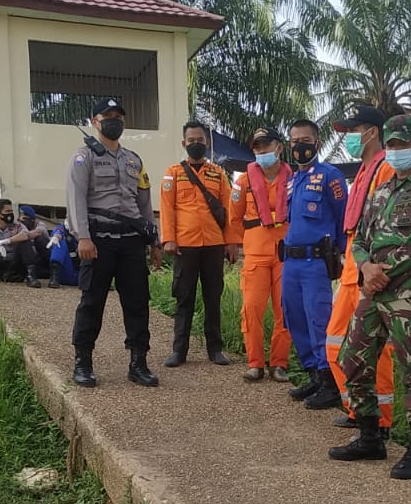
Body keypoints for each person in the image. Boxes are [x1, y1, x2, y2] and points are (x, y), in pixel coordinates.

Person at [331, 114, 411, 479]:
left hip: (408, 293)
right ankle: (370, 437)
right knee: (352, 359)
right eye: (391, 145)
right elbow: (362, 238)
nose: (396, 151)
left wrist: (383, 274)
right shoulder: (381, 190)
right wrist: (366, 268)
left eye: (403, 144)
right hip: (373, 288)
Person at [68, 96, 160, 388]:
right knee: (92, 302)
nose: (114, 121)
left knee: (137, 303)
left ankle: (138, 362)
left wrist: (153, 240)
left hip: (132, 242)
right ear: (95, 122)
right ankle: (83, 362)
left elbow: (144, 203)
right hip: (98, 241)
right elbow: (75, 198)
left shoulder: (134, 160)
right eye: (107, 116)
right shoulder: (84, 157)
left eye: (118, 117)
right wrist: (83, 236)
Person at [321, 102, 397, 426]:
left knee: (376, 352)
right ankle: (358, 409)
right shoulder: (363, 171)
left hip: (371, 273)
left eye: (353, 130)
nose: (349, 136)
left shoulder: (386, 169)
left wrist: (372, 269)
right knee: (336, 343)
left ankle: (378, 422)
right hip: (352, 271)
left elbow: (388, 225)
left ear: (371, 132)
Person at [279, 118, 348, 405]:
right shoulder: (292, 180)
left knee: (319, 321)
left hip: (316, 263)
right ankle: (313, 376)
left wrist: (345, 259)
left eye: (305, 141)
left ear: (317, 144)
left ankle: (330, 383)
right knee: (295, 319)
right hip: (291, 263)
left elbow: (344, 219)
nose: (299, 146)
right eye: (294, 141)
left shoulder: (331, 176)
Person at [160, 119, 238, 367]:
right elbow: (167, 208)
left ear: (207, 143)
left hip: (214, 244)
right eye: (191, 141)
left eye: (200, 140)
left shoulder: (218, 174)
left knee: (213, 296)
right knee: (184, 297)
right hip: (185, 244)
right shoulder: (173, 173)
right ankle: (179, 351)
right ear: (184, 143)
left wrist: (232, 242)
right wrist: (169, 239)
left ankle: (215, 349)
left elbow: (229, 210)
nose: (196, 144)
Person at [227, 126, 292, 382]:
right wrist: (253, 241)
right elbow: (234, 220)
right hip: (255, 255)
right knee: (251, 309)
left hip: (286, 253)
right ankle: (255, 363)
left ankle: (279, 363)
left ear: (279, 147)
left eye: (266, 145)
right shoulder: (243, 181)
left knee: (284, 310)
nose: (262, 151)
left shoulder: (294, 179)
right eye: (257, 147)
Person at [48, 205, 79, 287]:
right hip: (66, 270)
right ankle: (54, 277)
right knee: (59, 242)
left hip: (82, 274)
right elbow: (58, 233)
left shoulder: (85, 231)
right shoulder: (61, 228)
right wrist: (57, 237)